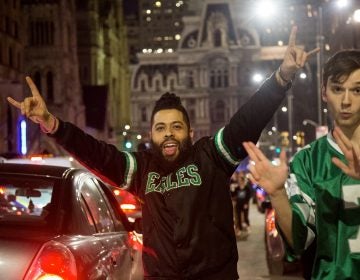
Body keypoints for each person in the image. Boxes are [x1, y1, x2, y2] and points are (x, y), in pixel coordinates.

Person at [7, 27, 318, 279]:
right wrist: (53, 125)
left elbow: (247, 120)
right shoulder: (142, 170)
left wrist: (281, 78)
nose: (168, 133)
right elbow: (97, 153)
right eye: (160, 127)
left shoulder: (211, 157)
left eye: (176, 126)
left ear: (190, 132)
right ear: (151, 134)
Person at [243, 49, 360, 279]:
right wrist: (277, 194)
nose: (346, 101)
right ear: (324, 93)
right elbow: (299, 241)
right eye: (337, 89)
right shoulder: (307, 160)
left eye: (357, 90)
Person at [231, 171, 252, 238]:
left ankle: (248, 227)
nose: (239, 182)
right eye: (238, 180)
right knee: (238, 218)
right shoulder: (237, 188)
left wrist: (246, 203)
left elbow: (248, 196)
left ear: (242, 181)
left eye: (240, 180)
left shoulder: (246, 188)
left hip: (245, 204)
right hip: (238, 204)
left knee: (245, 217)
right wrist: (232, 190)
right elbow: (233, 195)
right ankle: (239, 229)